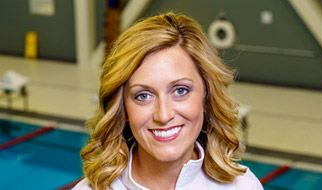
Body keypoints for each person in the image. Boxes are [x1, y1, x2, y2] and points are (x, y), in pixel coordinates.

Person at [73, 12, 263, 190]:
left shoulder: (243, 186)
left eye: (180, 90)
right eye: (143, 96)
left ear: (206, 98)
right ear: (122, 109)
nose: (163, 115)